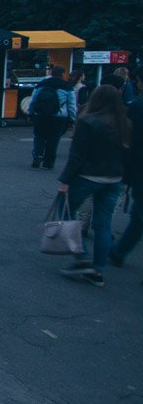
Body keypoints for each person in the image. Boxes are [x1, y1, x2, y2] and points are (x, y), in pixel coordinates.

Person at [57, 85, 130, 286]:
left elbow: (77, 155)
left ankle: (82, 257)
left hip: (87, 176)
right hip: (114, 179)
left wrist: (65, 180)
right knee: (103, 225)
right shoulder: (125, 123)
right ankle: (97, 268)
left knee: (66, 212)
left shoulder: (88, 122)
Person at [109, 81, 143, 267]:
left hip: (139, 168)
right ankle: (119, 250)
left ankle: (119, 251)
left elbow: (130, 140)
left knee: (139, 215)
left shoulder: (137, 107)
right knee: (138, 216)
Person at [29, 66, 76, 170]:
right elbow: (71, 105)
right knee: (53, 139)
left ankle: (37, 155)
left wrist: (31, 113)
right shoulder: (67, 87)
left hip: (40, 115)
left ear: (52, 73)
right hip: (59, 117)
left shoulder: (41, 84)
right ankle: (48, 162)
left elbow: (33, 100)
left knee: (39, 137)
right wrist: (72, 119)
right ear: (63, 74)